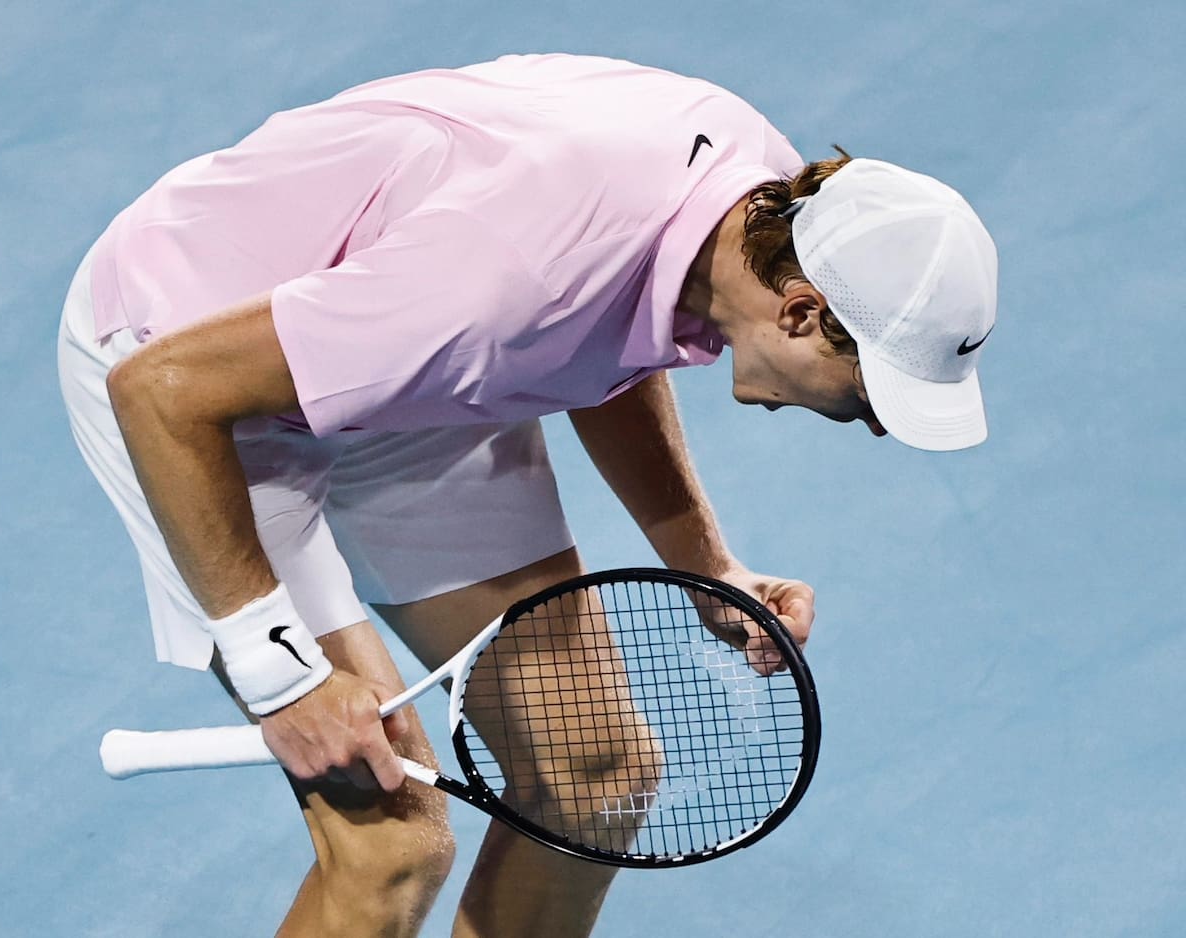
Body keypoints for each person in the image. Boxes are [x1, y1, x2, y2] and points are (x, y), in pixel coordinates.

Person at [58, 52, 997, 937]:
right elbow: (163, 391)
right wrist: (282, 679)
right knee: (391, 845)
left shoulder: (766, 217)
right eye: (876, 391)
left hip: (399, 353)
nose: (875, 423)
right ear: (800, 314)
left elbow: (615, 330)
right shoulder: (509, 281)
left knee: (597, 781)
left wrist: (706, 564)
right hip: (195, 363)